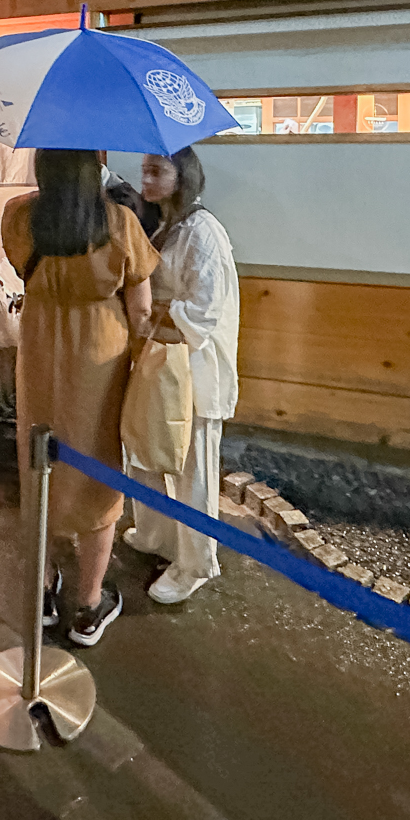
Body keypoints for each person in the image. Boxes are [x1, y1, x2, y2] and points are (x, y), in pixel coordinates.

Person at [2, 149, 157, 647]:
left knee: (39, 464)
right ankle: (88, 606)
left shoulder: (19, 216)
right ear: (96, 168)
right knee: (97, 471)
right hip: (100, 356)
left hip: (40, 346)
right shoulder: (120, 222)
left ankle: (45, 591)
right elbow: (142, 310)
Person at [126, 147, 240, 604]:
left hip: (194, 366)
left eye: (157, 172)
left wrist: (151, 311)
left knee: (194, 467)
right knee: (144, 449)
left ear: (183, 175)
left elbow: (205, 309)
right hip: (158, 357)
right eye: (145, 172)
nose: (147, 180)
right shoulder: (159, 225)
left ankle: (196, 563)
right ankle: (154, 535)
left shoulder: (203, 231)